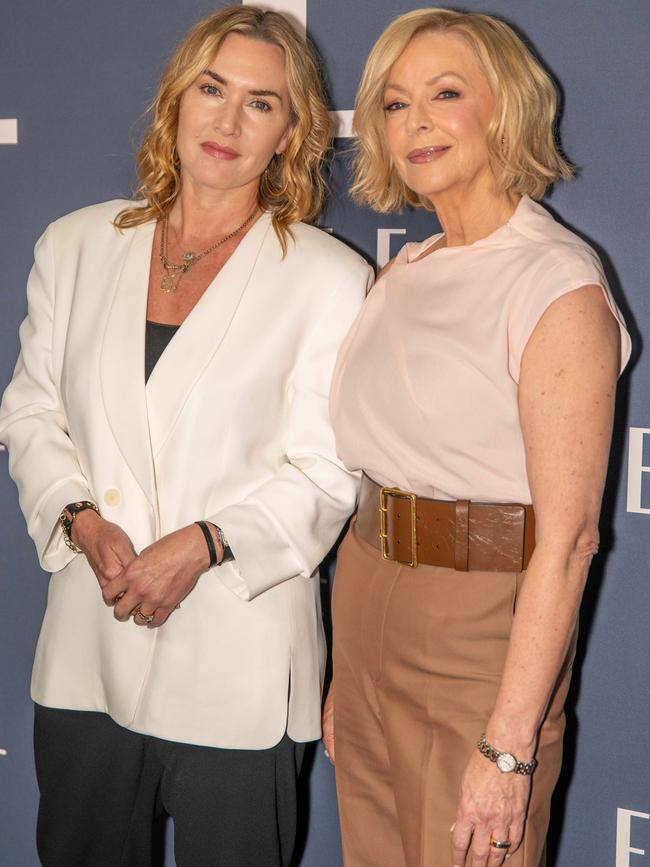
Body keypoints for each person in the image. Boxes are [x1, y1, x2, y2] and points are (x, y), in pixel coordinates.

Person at [0, 6, 372, 866]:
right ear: (177, 98)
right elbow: (29, 409)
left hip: (237, 654)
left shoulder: (328, 279)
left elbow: (326, 471)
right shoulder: (74, 245)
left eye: (261, 103)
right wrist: (80, 521)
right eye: (213, 88)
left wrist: (206, 544)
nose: (228, 120)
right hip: (89, 646)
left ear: (291, 133)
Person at [324, 8, 631, 867]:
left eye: (445, 93)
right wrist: (354, 658)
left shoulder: (555, 283)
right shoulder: (403, 273)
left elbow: (569, 540)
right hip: (368, 599)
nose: (415, 120)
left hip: (480, 633)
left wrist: (508, 744)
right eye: (394, 103)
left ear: (507, 107)